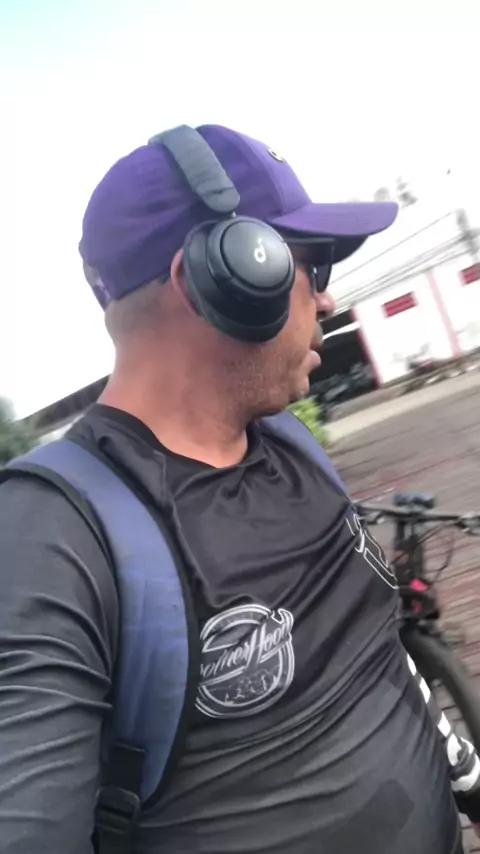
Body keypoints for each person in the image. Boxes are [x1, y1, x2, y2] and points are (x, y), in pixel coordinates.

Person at [0, 123, 479, 854]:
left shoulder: (287, 440)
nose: (327, 301)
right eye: (312, 266)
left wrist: (466, 777)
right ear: (219, 277)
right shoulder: (49, 539)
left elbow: (377, 649)